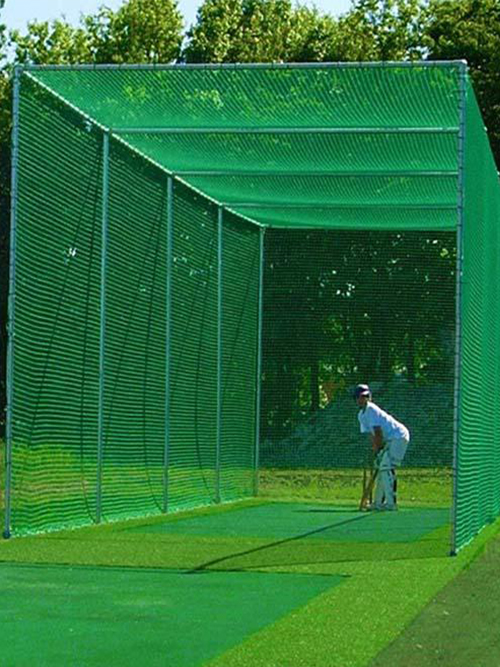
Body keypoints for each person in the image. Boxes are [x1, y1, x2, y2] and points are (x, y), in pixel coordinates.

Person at [354, 383, 410, 511]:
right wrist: (374, 450)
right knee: (382, 468)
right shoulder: (361, 416)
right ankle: (378, 503)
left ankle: (391, 503)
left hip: (399, 436)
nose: (363, 399)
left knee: (386, 467)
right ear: (356, 399)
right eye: (361, 397)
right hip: (389, 440)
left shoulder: (371, 409)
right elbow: (372, 434)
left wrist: (378, 449)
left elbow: (378, 432)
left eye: (366, 396)